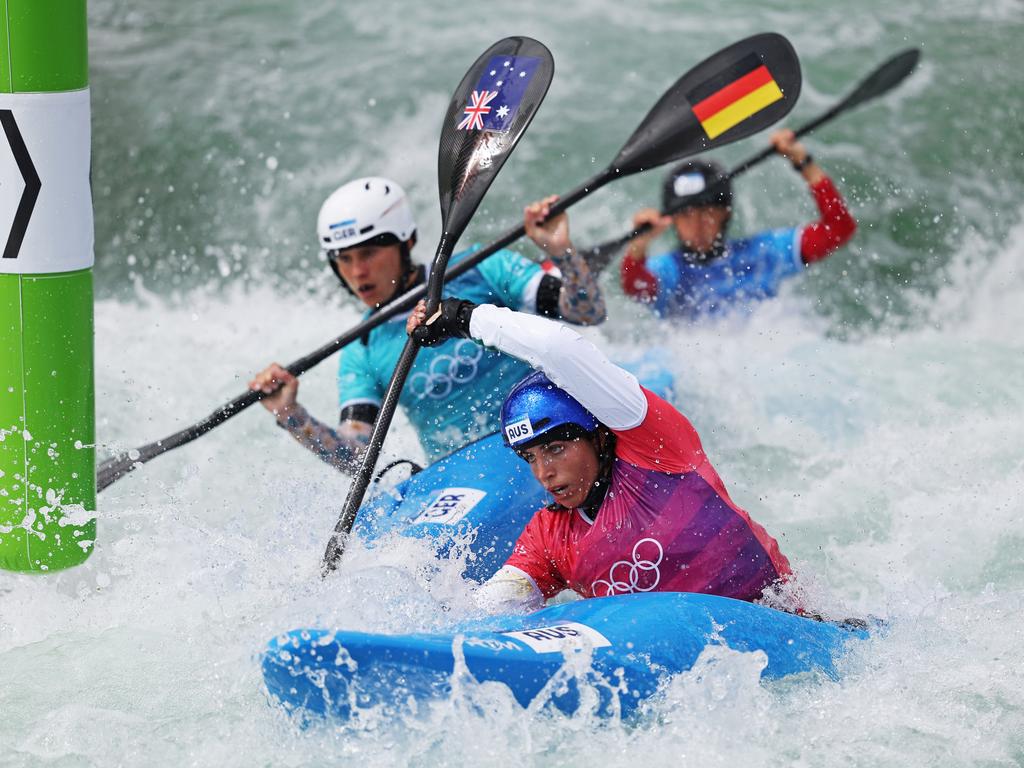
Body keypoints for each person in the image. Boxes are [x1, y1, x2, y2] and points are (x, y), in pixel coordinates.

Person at [408, 298, 792, 613]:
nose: (544, 472)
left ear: (600, 437)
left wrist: (465, 318)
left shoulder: (658, 452)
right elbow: (493, 607)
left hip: (784, 628)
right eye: (530, 457)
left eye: (556, 449)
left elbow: (557, 349)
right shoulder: (549, 536)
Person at [249, 177, 605, 471]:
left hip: (546, 442)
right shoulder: (363, 348)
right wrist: (291, 413)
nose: (357, 272)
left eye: (369, 254)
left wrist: (562, 253)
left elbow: (587, 313)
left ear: (407, 242)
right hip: (464, 477)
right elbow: (357, 458)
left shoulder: (481, 269)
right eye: (345, 260)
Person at [620, 129, 857, 319]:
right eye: (686, 215)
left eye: (707, 212)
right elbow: (635, 288)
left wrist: (804, 163)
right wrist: (638, 246)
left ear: (724, 214)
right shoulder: (667, 271)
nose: (698, 225)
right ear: (672, 220)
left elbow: (839, 229)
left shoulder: (766, 252)